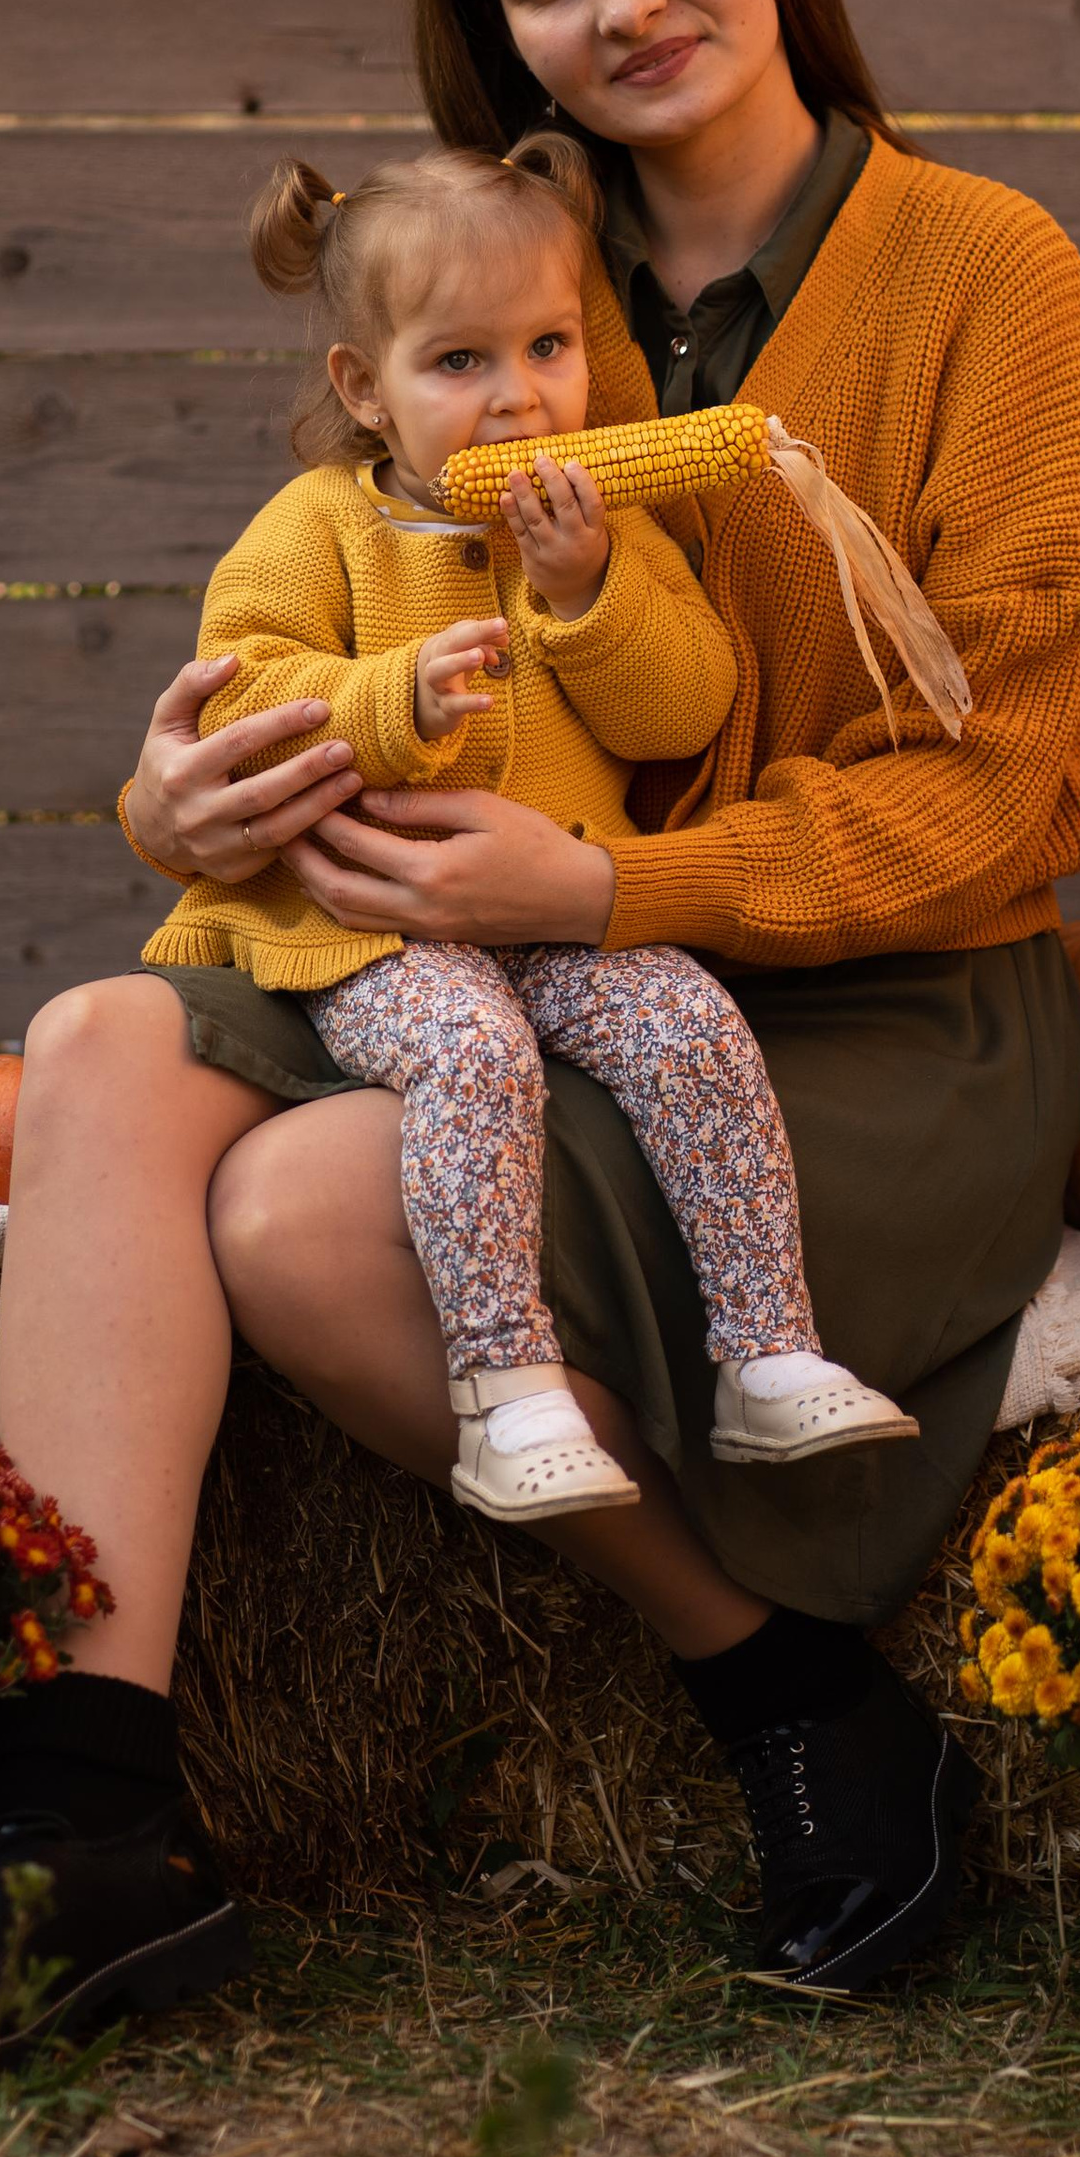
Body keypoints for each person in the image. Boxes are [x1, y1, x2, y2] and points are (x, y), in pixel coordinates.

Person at [0, 0, 1080, 2094]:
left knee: (312, 1221)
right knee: (106, 1040)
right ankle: (75, 1824)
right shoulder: (501, 260)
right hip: (487, 948)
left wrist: (619, 883)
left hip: (859, 996)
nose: (617, 1)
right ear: (492, 31)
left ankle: (793, 1697)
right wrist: (181, 804)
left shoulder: (977, 275)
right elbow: (308, 621)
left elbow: (1008, 795)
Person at [149, 130, 920, 1525]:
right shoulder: (316, 531)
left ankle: (767, 1352)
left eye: (550, 348)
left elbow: (684, 710)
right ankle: (509, 1391)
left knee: (687, 1021)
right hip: (374, 929)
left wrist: (589, 595)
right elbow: (245, 690)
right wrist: (391, 697)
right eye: (462, 364)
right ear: (363, 392)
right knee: (476, 1053)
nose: (522, 402)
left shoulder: (607, 535)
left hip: (556, 914)